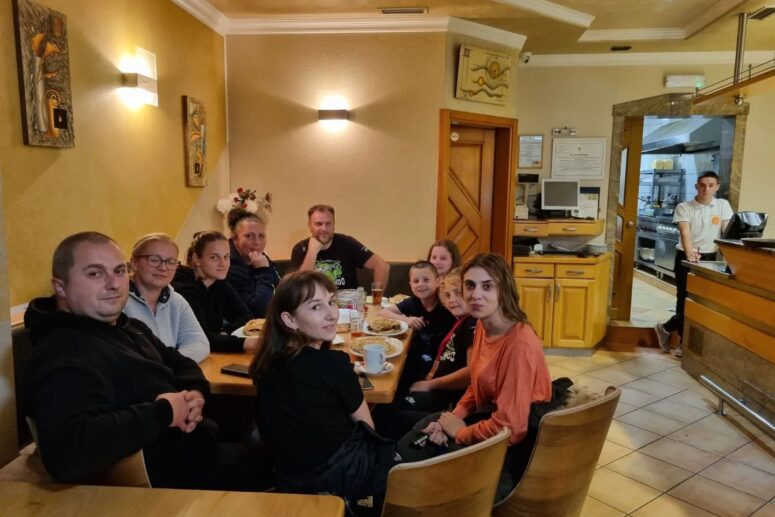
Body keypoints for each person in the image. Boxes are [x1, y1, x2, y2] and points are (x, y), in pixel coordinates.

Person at [24, 232, 256, 490]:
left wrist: (195, 393)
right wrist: (164, 412)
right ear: (60, 287)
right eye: (95, 273)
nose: (114, 284)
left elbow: (181, 363)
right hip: (159, 481)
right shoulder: (63, 351)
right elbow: (66, 453)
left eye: (119, 271)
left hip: (193, 445)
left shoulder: (128, 326)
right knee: (278, 460)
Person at [397, 253, 552, 502]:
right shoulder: (483, 325)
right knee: (415, 438)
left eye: (487, 286)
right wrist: (453, 417)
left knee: (413, 455)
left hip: (514, 445)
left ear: (504, 290)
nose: (475, 295)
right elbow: (476, 383)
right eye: (470, 285)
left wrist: (459, 432)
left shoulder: (518, 344)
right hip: (489, 420)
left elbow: (512, 429)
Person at [250, 271, 394, 512]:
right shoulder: (334, 365)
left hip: (288, 478)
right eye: (316, 307)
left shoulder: (265, 364)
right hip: (337, 481)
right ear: (290, 319)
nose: (332, 314)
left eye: (331, 302)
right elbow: (368, 431)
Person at [656, 171, 733, 357]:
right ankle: (683, 343)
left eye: (711, 185)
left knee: (701, 302)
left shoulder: (722, 205)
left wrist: (731, 255)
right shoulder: (684, 207)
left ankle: (666, 328)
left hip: (709, 258)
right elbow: (685, 233)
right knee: (685, 300)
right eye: (703, 185)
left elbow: (726, 233)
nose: (706, 189)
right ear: (696, 186)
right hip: (685, 256)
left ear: (717, 187)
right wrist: (689, 252)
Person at [124, 233, 209, 363]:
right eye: (154, 260)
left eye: (171, 261)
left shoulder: (176, 301)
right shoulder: (117, 302)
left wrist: (170, 365)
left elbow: (199, 343)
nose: (163, 268)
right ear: (134, 263)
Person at [172, 231, 259, 353]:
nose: (223, 264)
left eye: (226, 257)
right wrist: (246, 343)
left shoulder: (218, 281)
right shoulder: (183, 288)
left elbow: (245, 316)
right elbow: (199, 337)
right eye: (214, 257)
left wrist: (225, 333)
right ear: (197, 259)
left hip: (210, 352)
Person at [378, 261, 457, 392]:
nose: (420, 284)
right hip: (415, 358)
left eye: (426, 280)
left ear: (438, 281)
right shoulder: (412, 302)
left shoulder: (445, 304)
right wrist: (406, 320)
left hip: (438, 363)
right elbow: (382, 313)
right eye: (416, 281)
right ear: (410, 285)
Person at [290, 204, 389, 290]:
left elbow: (382, 266)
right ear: (309, 226)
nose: (324, 228)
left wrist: (376, 301)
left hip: (349, 304)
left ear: (334, 225)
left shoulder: (347, 243)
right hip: (317, 304)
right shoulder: (300, 249)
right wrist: (312, 252)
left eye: (328, 224)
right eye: (318, 224)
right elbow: (299, 287)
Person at [225, 208, 281, 318]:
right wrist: (263, 271)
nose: (257, 242)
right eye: (249, 236)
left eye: (261, 236)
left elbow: (282, 290)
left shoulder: (258, 256)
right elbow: (259, 309)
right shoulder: (228, 265)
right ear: (235, 239)